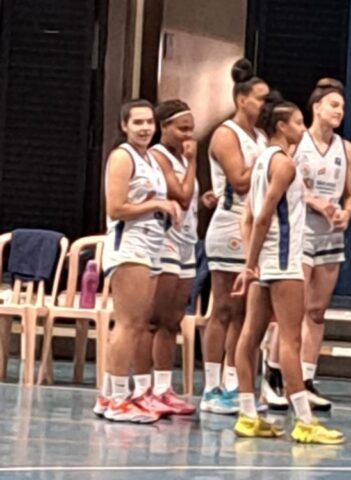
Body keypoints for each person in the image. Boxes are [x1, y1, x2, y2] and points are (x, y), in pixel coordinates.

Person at [232, 92, 344, 444]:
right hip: (282, 261)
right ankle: (305, 422)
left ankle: (248, 415)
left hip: (267, 260)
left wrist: (252, 261)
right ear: (281, 126)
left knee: (250, 335)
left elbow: (248, 215)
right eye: (297, 122)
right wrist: (249, 265)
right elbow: (263, 214)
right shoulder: (284, 164)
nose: (301, 128)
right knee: (291, 342)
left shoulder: (261, 160)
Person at [94, 99, 181, 423]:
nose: (145, 128)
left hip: (151, 246)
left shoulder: (151, 159)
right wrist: (156, 204)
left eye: (149, 122)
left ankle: (110, 393)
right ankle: (115, 397)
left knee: (138, 323)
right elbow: (116, 208)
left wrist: (165, 207)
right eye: (138, 123)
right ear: (124, 126)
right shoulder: (122, 157)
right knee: (127, 323)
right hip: (129, 246)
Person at [201, 58, 269, 413]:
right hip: (229, 223)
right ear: (242, 99)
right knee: (224, 307)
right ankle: (210, 385)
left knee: (246, 310)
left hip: (254, 226)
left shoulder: (260, 136)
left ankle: (232, 380)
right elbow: (240, 180)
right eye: (260, 98)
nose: (264, 105)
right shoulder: (226, 134)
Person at [294, 78, 351, 411]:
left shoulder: (345, 149)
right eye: (334, 104)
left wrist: (346, 213)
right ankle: (278, 376)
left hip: (331, 235)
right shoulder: (297, 142)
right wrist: (313, 201)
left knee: (316, 313)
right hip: (301, 231)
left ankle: (306, 379)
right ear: (316, 106)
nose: (340, 111)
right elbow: (285, 186)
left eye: (343, 107)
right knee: (293, 311)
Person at [147, 99, 201, 415]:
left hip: (187, 242)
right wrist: (193, 163)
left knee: (173, 320)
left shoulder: (182, 159)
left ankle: (164, 387)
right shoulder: (159, 156)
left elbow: (191, 198)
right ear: (164, 127)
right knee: (155, 319)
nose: (188, 135)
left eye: (191, 129)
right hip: (164, 241)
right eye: (182, 128)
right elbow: (179, 194)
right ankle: (145, 387)